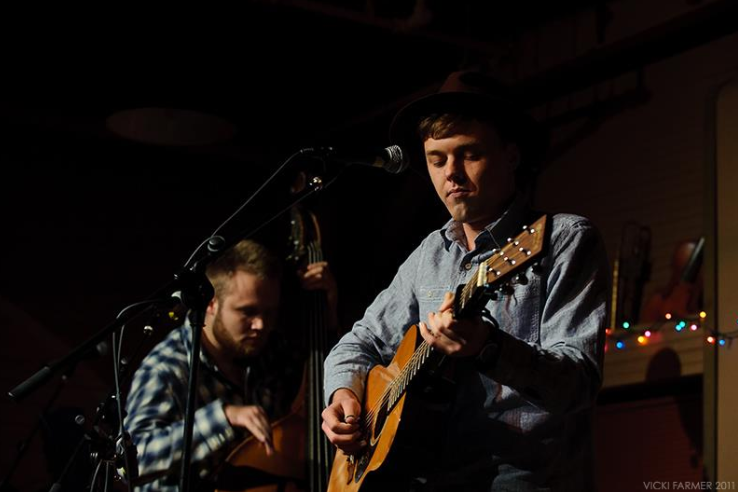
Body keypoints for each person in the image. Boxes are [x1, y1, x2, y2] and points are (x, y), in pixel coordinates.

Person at [322, 70, 609, 491]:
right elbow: (358, 342)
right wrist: (343, 395)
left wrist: (489, 347)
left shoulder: (562, 239)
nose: (451, 174)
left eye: (469, 154)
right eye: (437, 160)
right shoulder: (430, 254)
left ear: (511, 156)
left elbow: (579, 383)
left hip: (530, 477)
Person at [124, 239, 337, 491]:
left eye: (269, 312)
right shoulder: (165, 368)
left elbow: (321, 381)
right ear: (210, 304)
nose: (260, 325)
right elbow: (132, 462)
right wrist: (224, 416)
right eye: (247, 312)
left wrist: (327, 311)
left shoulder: (271, 350)